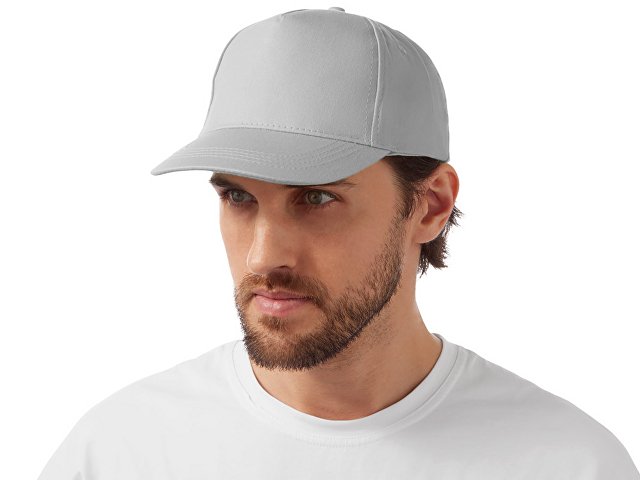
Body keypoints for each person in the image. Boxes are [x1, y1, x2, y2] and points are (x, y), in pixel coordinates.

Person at [37, 7, 639, 479]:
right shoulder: (121, 452)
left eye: (316, 197)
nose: (263, 256)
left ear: (430, 205)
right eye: (238, 196)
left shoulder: (566, 463)